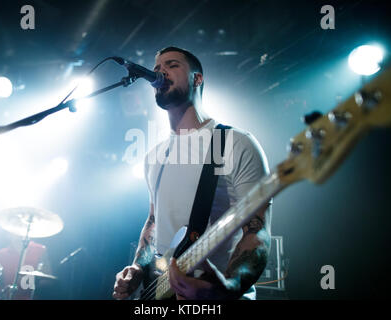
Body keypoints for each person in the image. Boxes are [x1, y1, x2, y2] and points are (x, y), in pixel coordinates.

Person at [113, 47, 272, 300]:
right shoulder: (154, 156)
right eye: (156, 69)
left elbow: (257, 231)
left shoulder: (235, 142)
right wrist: (138, 268)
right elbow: (154, 221)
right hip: (160, 292)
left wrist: (227, 288)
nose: (160, 72)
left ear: (197, 79)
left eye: (172, 65)